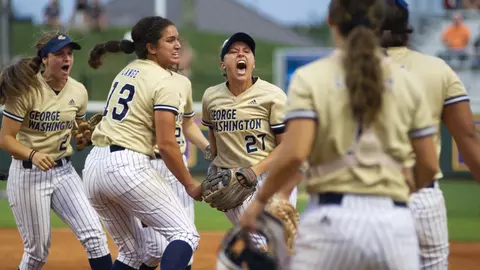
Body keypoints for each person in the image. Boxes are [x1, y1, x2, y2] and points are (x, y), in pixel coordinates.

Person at [239, 0, 440, 269]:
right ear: (379, 25)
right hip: (394, 224)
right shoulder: (407, 81)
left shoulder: (310, 77)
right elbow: (428, 164)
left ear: (330, 21)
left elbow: (295, 154)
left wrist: (261, 201)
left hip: (330, 222)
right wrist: (403, 188)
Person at [83, 16, 201, 270]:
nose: (178, 45)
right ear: (151, 47)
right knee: (186, 235)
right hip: (127, 165)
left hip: (93, 167)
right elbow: (167, 144)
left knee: (135, 253)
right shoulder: (165, 81)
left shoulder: (127, 71)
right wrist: (190, 185)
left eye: (177, 39)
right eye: (170, 40)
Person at [381, 1, 480, 269]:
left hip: (364, 197)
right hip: (422, 198)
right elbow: (468, 137)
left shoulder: (346, 71)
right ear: (407, 29)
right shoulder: (437, 69)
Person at [0, 33, 112, 270]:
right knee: (37, 254)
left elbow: (78, 130)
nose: (67, 59)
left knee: (95, 237)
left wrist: (83, 136)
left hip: (64, 172)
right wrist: (33, 154)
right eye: (59, 54)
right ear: (44, 59)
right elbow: (6, 139)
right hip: (28, 174)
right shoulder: (25, 90)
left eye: (69, 53)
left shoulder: (78, 91)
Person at [201, 32, 299, 248]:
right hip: (234, 180)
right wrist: (214, 163)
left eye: (246, 51)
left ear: (253, 63)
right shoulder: (211, 96)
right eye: (233, 52)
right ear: (222, 64)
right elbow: (214, 139)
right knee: (262, 246)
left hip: (272, 175)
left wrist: (254, 170)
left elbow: (286, 145)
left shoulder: (272, 95)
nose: (240, 54)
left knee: (280, 244)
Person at [138, 44, 210, 270]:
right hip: (150, 164)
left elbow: (188, 123)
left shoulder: (183, 83)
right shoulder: (147, 79)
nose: (179, 51)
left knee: (187, 243)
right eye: (172, 45)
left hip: (177, 167)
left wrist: (208, 148)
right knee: (153, 249)